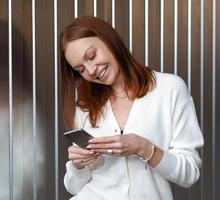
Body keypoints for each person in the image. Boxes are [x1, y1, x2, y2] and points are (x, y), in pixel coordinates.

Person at [59, 16, 204, 200]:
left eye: (92, 56)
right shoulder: (86, 106)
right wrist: (78, 165)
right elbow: (74, 186)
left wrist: (144, 148)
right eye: (81, 69)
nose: (91, 70)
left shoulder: (170, 89)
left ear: (109, 40)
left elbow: (190, 174)